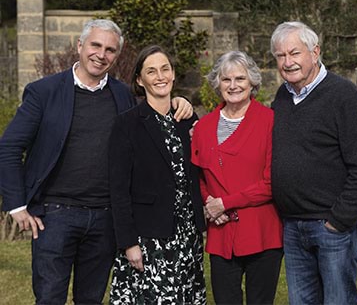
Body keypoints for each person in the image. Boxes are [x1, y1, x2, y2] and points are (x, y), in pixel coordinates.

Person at [0, 19, 193, 304]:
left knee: (90, 299)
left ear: (116, 56)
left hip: (104, 218)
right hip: (54, 216)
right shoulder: (44, 92)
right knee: (49, 298)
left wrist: (178, 102)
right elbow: (9, 147)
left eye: (110, 50)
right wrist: (16, 206)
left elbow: (150, 120)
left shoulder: (122, 96)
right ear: (80, 46)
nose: (101, 55)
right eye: (95, 45)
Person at [270, 21, 357, 305]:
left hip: (332, 226)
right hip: (293, 227)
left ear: (315, 52)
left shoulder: (343, 96)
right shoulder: (282, 98)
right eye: (281, 56)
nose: (288, 62)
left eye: (294, 53)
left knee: (338, 301)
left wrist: (338, 221)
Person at [108, 45, 207, 304]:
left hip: (187, 236)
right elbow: (118, 190)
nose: (160, 76)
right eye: (151, 71)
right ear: (140, 80)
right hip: (149, 239)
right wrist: (129, 243)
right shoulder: (126, 124)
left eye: (165, 69)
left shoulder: (187, 118)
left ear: (174, 74)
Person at [191, 51, 283, 305]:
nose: (233, 86)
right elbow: (197, 175)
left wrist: (225, 203)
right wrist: (210, 201)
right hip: (221, 233)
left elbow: (272, 181)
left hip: (261, 231)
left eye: (240, 78)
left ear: (252, 82)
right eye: (226, 79)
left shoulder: (270, 121)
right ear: (217, 84)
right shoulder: (203, 126)